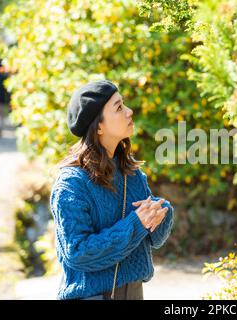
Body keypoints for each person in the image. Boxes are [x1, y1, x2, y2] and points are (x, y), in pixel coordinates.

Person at [49, 80, 174, 300]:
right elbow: (77, 252)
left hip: (134, 291)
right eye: (118, 107)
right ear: (98, 126)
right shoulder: (71, 184)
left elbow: (154, 239)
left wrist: (161, 212)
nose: (129, 111)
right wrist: (137, 223)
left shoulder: (131, 174)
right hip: (92, 296)